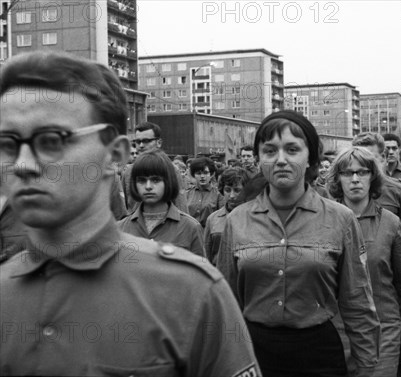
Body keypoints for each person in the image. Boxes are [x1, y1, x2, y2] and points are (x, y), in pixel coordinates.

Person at [0, 51, 260, 376]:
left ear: (115, 153)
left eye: (51, 140)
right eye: (7, 144)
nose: (23, 164)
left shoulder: (189, 294)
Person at [216, 110, 380, 377]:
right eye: (270, 151)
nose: (281, 160)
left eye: (292, 149)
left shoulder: (340, 219)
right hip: (254, 355)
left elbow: (358, 302)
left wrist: (366, 364)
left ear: (310, 159)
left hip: (319, 355)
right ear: (258, 159)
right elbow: (225, 303)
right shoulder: (237, 221)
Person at [328, 146, 401, 376]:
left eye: (362, 172)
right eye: (347, 173)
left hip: (383, 329)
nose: (355, 179)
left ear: (373, 177)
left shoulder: (390, 223)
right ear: (338, 179)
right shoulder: (324, 223)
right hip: (337, 333)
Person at [118, 150, 205, 256]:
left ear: (168, 182)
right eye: (142, 180)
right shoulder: (121, 229)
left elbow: (199, 270)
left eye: (155, 180)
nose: (148, 186)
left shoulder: (190, 228)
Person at [122, 122, 189, 213]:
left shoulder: (171, 170)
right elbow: (126, 207)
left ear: (159, 143)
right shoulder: (128, 172)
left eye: (146, 141)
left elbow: (181, 208)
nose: (141, 145)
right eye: (138, 142)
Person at [204, 167, 250, 264]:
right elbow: (206, 256)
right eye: (228, 190)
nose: (232, 195)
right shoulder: (212, 219)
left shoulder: (255, 217)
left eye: (237, 190)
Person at [186, 157, 224, 228]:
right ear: (194, 175)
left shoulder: (218, 194)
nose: (202, 176)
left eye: (206, 173)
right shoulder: (188, 193)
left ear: (212, 174)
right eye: (198, 173)